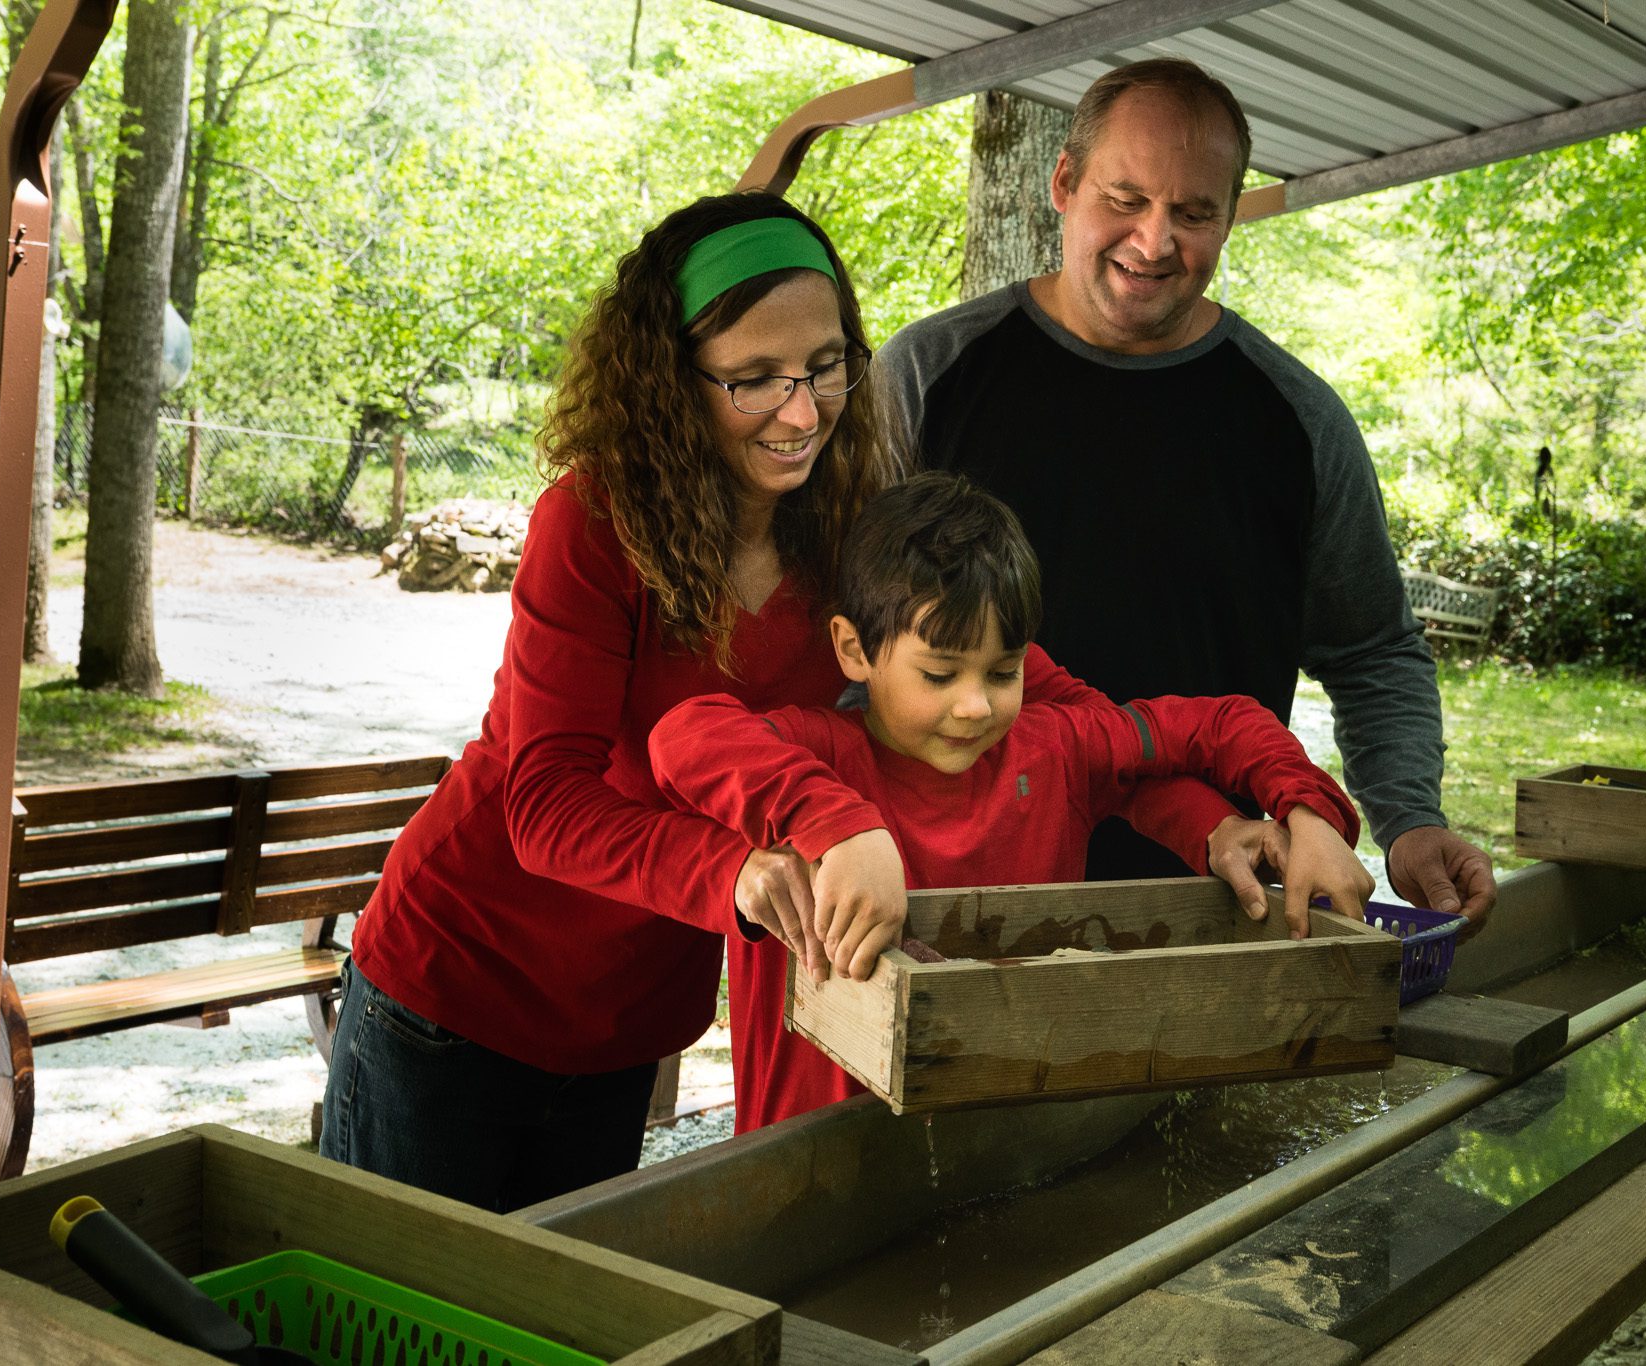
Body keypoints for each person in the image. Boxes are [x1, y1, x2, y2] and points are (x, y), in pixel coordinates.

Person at [318, 193, 897, 1211]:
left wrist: (1210, 794)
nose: (802, 412)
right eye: (752, 380)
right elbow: (541, 805)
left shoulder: (851, 535)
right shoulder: (590, 524)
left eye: (824, 365)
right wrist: (741, 873)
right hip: (454, 990)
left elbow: (977, 686)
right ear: (671, 382)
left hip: (624, 1023)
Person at [876, 57, 1497, 929]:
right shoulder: (926, 376)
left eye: (1194, 212)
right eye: (1125, 199)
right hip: (955, 905)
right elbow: (842, 642)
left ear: (1231, 217)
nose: (1155, 241)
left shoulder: (1298, 418)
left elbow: (1371, 651)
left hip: (1218, 900)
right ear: (1063, 181)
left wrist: (1410, 821)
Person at [650, 472, 1372, 1130]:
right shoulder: (815, 754)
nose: (974, 706)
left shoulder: (1057, 747)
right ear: (854, 650)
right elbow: (685, 737)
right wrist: (835, 826)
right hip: (805, 1157)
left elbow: (1225, 723)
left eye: (1003, 671)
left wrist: (1310, 813)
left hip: (1011, 1140)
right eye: (938, 674)